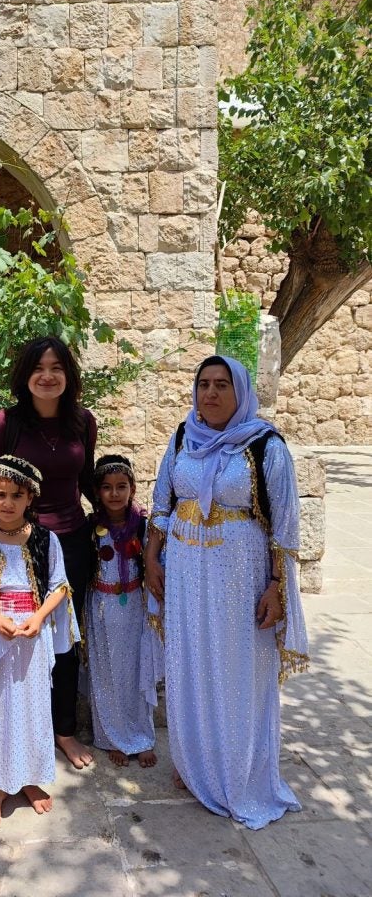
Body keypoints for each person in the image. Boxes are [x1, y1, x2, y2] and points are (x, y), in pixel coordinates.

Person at [144, 355, 309, 830]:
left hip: (242, 578)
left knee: (239, 672)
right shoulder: (182, 438)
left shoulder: (265, 445)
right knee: (191, 664)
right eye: (203, 384)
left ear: (241, 392)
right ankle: (196, 766)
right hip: (186, 574)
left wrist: (277, 587)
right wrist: (153, 557)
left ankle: (240, 775)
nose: (210, 393)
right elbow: (162, 504)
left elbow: (284, 526)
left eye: (222, 385)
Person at [0, 336, 97, 769]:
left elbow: (86, 479)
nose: (48, 376)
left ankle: (63, 731)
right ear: (25, 375)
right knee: (19, 638)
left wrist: (126, 514)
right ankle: (21, 731)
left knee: (64, 640)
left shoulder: (83, 422)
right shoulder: (4, 424)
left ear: (69, 375)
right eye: (39, 368)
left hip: (72, 541)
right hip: (17, 546)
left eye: (57, 368)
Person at [0, 455, 79, 827]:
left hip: (33, 636)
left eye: (15, 496)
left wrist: (38, 619)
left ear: (30, 499)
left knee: (33, 708)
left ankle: (27, 778)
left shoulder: (47, 540)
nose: (6, 503)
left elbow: (60, 585)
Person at [86, 454, 158, 768]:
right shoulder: (91, 527)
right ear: (97, 492)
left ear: (132, 488)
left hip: (133, 610)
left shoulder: (142, 525)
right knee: (107, 674)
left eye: (121, 486)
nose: (114, 494)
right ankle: (112, 738)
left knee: (136, 672)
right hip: (101, 609)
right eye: (106, 487)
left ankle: (142, 736)